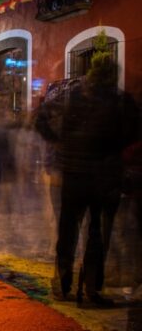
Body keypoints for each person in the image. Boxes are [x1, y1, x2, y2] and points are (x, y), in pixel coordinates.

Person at [36, 55, 138, 306]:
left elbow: (41, 118)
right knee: (98, 235)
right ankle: (91, 289)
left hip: (74, 174)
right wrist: (114, 149)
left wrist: (59, 142)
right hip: (106, 176)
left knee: (68, 230)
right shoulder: (121, 100)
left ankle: (62, 285)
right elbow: (134, 131)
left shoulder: (70, 96)